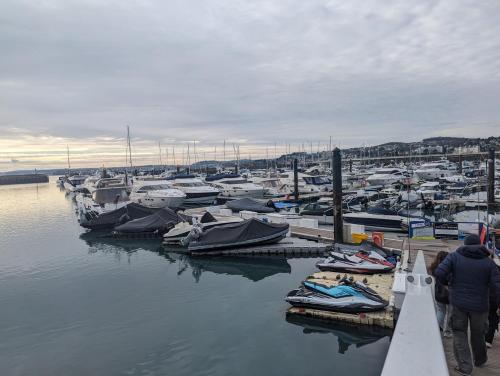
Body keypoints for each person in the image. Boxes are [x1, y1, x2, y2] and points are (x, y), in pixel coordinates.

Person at [435, 234, 500, 376]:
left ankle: (465, 367)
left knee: (459, 333)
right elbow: (497, 285)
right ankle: (480, 360)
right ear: (480, 245)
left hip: (458, 304)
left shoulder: (454, 257)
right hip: (480, 306)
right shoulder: (489, 263)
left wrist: (449, 283)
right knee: (479, 334)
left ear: (464, 244)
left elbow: (439, 272)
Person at [430, 251, 452, 337]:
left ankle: (437, 328)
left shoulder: (434, 267)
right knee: (451, 313)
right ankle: (447, 331)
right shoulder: (449, 268)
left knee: (440, 311)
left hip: (439, 292)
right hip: (450, 294)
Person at [485, 263, 500, 348]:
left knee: (486, 318)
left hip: (486, 298)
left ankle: (486, 338)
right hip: (495, 300)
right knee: (493, 320)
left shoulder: (485, 270)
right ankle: (488, 340)